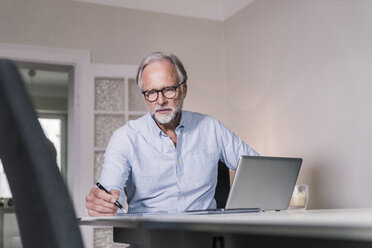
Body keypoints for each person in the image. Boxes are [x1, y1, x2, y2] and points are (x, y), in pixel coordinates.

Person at [85, 52, 259, 216]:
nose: (160, 101)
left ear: (183, 90)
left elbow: (259, 168)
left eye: (168, 89)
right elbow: (109, 190)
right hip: (149, 239)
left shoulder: (211, 128)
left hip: (205, 237)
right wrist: (102, 202)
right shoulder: (125, 138)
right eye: (151, 93)